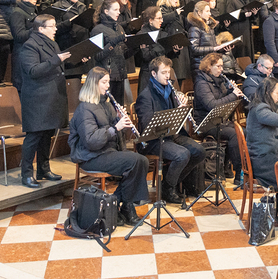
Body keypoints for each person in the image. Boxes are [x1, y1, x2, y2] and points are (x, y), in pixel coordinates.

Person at [68, 66, 149, 225]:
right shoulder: (85, 108)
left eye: (108, 82)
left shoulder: (106, 104)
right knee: (136, 161)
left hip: (107, 152)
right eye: (104, 82)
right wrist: (115, 128)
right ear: (94, 84)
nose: (108, 86)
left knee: (141, 161)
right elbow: (91, 141)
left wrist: (119, 120)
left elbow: (114, 133)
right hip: (90, 157)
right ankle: (121, 206)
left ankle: (122, 205)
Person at [134, 56, 206, 203]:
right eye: (164, 72)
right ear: (154, 74)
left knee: (199, 151)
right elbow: (147, 125)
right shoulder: (145, 96)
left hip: (171, 134)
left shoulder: (170, 89)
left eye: (169, 72)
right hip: (153, 139)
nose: (168, 76)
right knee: (182, 154)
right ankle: (169, 188)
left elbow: (175, 118)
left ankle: (169, 183)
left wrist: (181, 110)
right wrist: (173, 114)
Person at [19, 15, 72, 188]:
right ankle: (27, 174)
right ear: (41, 29)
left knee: (47, 135)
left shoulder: (52, 43)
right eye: (52, 26)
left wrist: (74, 60)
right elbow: (33, 71)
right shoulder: (30, 46)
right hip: (37, 99)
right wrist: (57, 59)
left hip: (51, 97)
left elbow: (56, 66)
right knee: (34, 136)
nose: (56, 29)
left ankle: (43, 169)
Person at [193, 53, 245, 186]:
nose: (222, 69)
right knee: (234, 134)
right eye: (218, 66)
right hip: (205, 123)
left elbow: (221, 99)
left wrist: (230, 91)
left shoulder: (218, 80)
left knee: (243, 131)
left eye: (222, 66)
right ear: (209, 67)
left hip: (218, 121)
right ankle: (238, 173)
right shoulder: (201, 83)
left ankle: (229, 167)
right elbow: (212, 105)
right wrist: (233, 95)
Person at [8, 0, 39, 90]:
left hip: (32, 51)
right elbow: (19, 35)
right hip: (22, 53)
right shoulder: (17, 13)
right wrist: (37, 29)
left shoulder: (33, 11)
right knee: (21, 86)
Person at [187, 0, 218, 71]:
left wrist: (221, 48)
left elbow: (212, 45)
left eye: (210, 11)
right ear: (199, 13)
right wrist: (213, 49)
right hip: (200, 65)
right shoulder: (194, 29)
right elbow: (194, 49)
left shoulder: (209, 27)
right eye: (207, 11)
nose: (210, 14)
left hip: (210, 63)